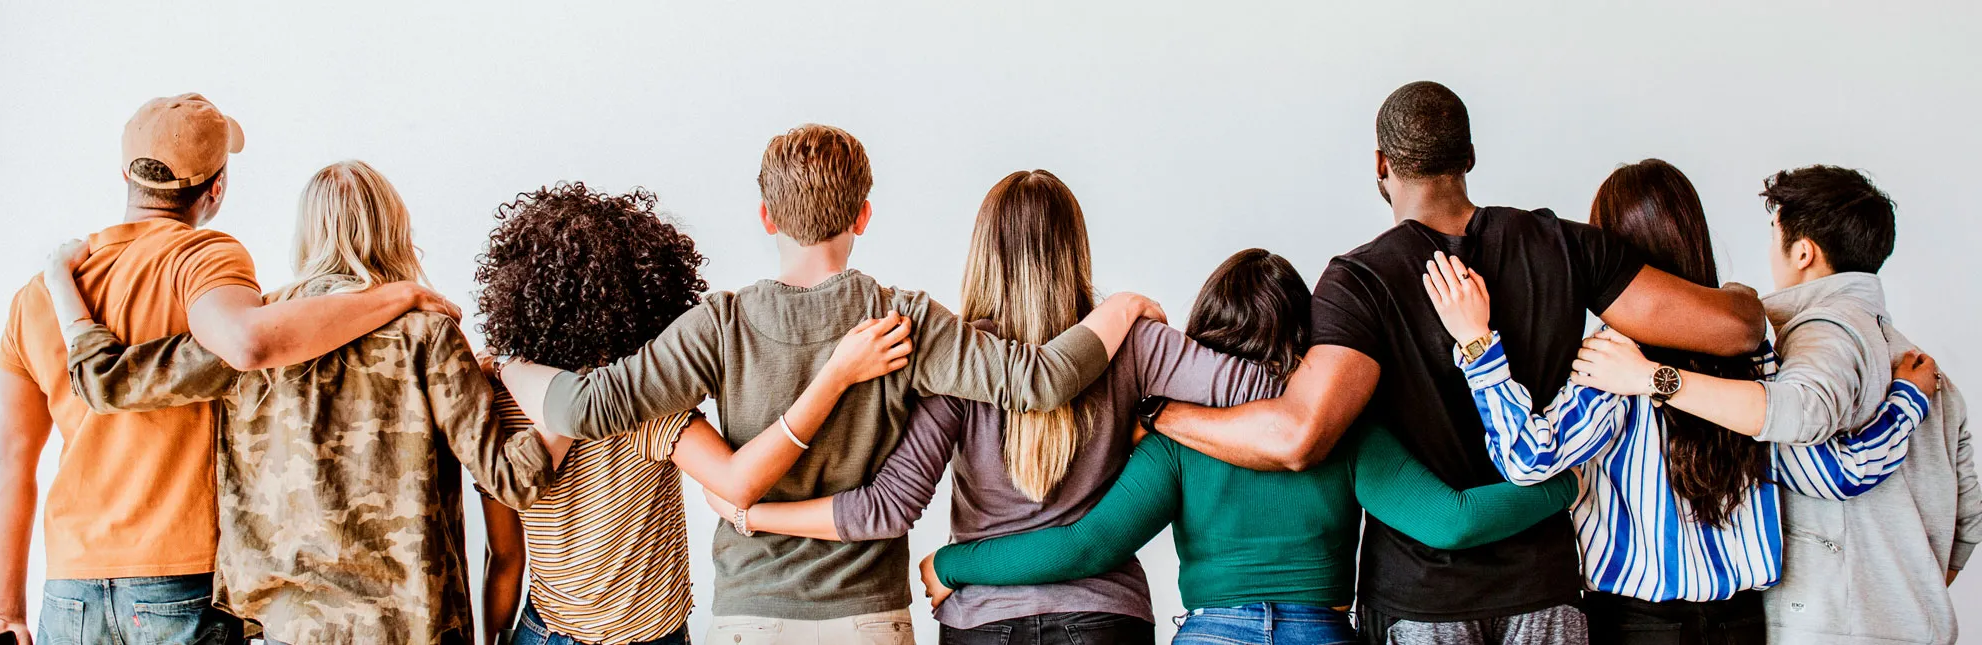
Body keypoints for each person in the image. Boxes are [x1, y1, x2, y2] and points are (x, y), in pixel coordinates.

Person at [1140, 82, 1768, 644]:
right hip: (1544, 590)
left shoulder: (1358, 280)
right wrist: (1741, 297)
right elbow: (1736, 329)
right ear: (1469, 158)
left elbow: (1301, 436)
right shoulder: (1566, 247)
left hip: (1421, 599)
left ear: (1382, 166)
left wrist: (1164, 414)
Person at [495, 125, 1162, 645]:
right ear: (864, 215)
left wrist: (508, 365)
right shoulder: (905, 320)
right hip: (868, 615)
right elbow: (1040, 380)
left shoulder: (717, 326)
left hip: (749, 616)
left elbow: (584, 406)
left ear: (766, 217)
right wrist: (1123, 306)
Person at [697, 171, 1278, 645]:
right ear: (1076, 249)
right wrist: (1157, 419)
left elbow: (888, 508)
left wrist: (751, 515)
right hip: (1105, 618)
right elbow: (1263, 387)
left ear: (983, 252)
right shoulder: (1135, 342)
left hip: (982, 622)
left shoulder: (960, 363)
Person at [910, 248, 1581, 645]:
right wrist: (1564, 483)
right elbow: (1451, 519)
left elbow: (1080, 547)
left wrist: (954, 559)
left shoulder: (1176, 437)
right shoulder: (1340, 432)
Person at [0, 96, 455, 645]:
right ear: (216, 188)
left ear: (125, 175)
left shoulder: (36, 297)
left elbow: (10, 464)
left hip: (69, 587)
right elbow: (249, 343)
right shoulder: (205, 259)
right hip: (181, 580)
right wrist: (396, 296)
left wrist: (4, 609)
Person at [1419, 159, 1937, 644]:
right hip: (1744, 624)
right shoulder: (1752, 352)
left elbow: (1527, 458)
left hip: (1639, 627)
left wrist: (1477, 343)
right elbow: (1831, 474)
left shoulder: (1612, 361)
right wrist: (1908, 402)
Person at [45, 161, 555, 645]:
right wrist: (575, 400)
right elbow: (513, 482)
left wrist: (60, 281)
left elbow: (107, 383)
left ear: (307, 233)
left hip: (291, 626)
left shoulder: (254, 332)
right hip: (411, 627)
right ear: (395, 229)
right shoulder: (427, 334)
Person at [469, 183, 913, 645]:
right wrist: (836, 374)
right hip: (647, 635)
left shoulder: (499, 401)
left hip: (541, 631)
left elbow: (504, 557)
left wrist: (492, 636)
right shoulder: (649, 408)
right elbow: (739, 482)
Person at [1572, 165, 1977, 645]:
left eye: (1773, 234)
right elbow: (1968, 519)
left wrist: (1651, 379)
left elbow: (1809, 444)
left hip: (1828, 626)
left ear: (1803, 251)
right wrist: (1907, 599)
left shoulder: (1814, 337)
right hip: (1917, 623)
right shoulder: (1928, 370)